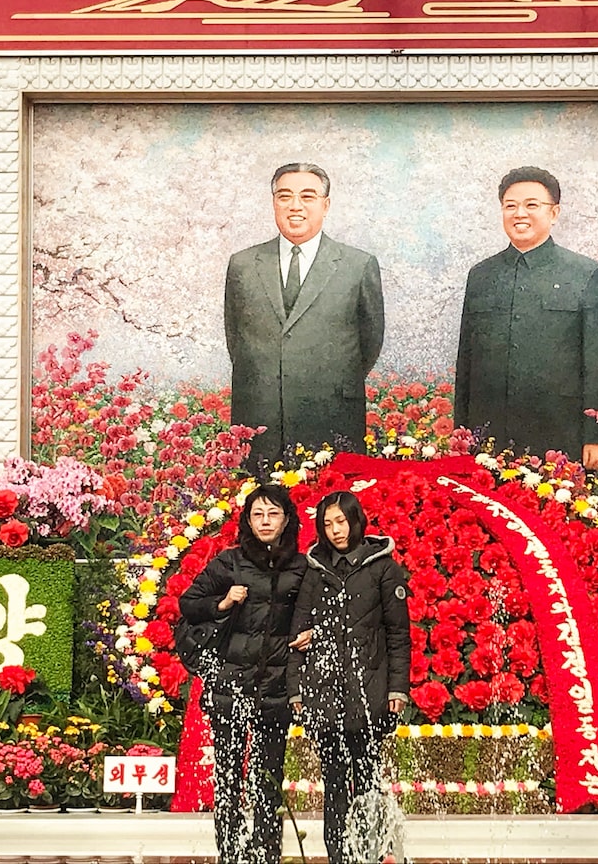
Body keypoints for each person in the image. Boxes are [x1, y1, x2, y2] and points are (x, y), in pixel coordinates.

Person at [454, 165, 598, 467]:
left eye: (532, 205)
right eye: (510, 206)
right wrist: (461, 434)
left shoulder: (586, 274)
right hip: (488, 435)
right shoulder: (481, 276)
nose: (520, 214)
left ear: (554, 213)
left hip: (560, 435)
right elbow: (466, 361)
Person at [178, 484, 309, 864]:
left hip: (275, 687)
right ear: (248, 521)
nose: (265, 521)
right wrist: (222, 602)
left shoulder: (302, 567)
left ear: (287, 520)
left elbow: (321, 611)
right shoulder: (230, 562)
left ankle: (267, 854)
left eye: (273, 514)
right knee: (229, 779)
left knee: (269, 779)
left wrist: (312, 632)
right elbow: (189, 603)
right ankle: (231, 854)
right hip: (230, 686)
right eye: (257, 514)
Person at [224, 163, 386, 465]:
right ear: (274, 203)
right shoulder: (243, 265)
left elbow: (369, 343)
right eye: (284, 196)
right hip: (260, 420)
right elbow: (236, 340)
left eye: (308, 196)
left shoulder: (358, 265)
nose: (295, 206)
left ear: (326, 205)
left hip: (331, 417)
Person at [287, 490, 411, 864]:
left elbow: (398, 634)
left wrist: (397, 688)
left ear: (356, 521)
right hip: (325, 696)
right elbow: (298, 634)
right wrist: (296, 691)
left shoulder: (383, 569)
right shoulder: (316, 571)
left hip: (369, 694)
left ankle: (372, 854)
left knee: (368, 780)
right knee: (335, 785)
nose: (336, 530)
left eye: (341, 521)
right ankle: (339, 857)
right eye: (327, 524)